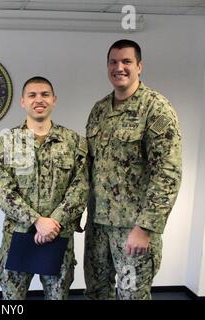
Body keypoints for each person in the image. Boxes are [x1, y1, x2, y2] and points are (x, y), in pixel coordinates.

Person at [84, 39, 182, 300]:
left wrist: (146, 228)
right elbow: (90, 167)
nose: (119, 67)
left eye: (126, 61)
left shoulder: (156, 108)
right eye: (113, 62)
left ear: (139, 66)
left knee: (131, 295)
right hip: (98, 228)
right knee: (96, 292)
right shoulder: (99, 110)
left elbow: (168, 173)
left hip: (132, 229)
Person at [0, 76, 88, 300]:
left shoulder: (74, 142)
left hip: (58, 235)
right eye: (32, 95)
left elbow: (81, 187)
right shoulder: (6, 142)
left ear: (54, 100)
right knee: (12, 300)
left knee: (58, 297)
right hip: (18, 236)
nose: (39, 100)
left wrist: (54, 222)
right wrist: (37, 221)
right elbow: (2, 192)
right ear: (23, 102)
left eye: (45, 94)